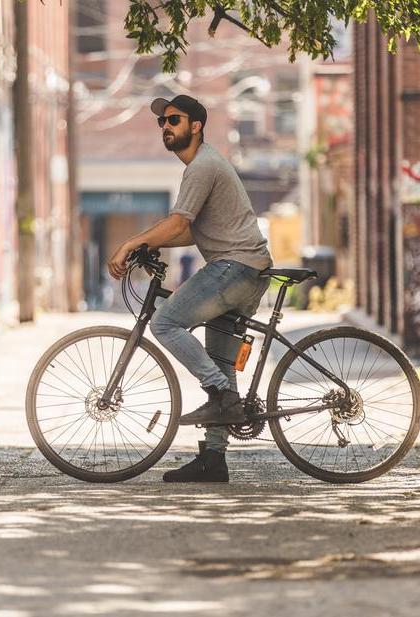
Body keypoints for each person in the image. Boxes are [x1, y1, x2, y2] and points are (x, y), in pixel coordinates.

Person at [107, 94, 272, 483]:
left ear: (195, 126)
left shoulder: (202, 165)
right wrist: (147, 244)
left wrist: (132, 243)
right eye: (162, 122)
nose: (166, 126)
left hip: (235, 268)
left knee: (165, 323)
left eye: (174, 120)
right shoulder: (204, 165)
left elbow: (180, 224)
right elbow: (192, 232)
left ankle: (220, 393)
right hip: (247, 269)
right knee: (220, 361)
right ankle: (213, 459)